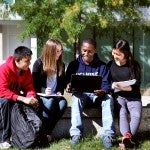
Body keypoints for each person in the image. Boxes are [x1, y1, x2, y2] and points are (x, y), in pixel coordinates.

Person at [65, 38, 116, 149]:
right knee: (75, 98)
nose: (86, 53)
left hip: (98, 97)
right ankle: (76, 134)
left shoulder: (102, 66)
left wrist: (103, 91)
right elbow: (67, 81)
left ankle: (108, 135)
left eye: (89, 51)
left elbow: (107, 85)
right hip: (81, 96)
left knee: (109, 98)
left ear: (95, 51)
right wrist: (68, 86)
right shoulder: (73, 65)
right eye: (84, 50)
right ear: (80, 49)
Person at [0, 46, 39, 149]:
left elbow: (29, 88)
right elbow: (2, 91)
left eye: (30, 60)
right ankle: (4, 139)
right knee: (5, 102)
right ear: (17, 60)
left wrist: (31, 98)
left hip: (14, 97)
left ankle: (31, 135)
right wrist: (23, 99)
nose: (29, 63)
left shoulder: (26, 71)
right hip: (3, 98)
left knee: (34, 103)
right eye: (27, 61)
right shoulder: (4, 69)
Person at [107, 39, 142, 149]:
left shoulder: (134, 65)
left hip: (134, 96)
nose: (115, 56)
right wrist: (112, 85)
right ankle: (127, 138)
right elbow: (106, 82)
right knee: (122, 113)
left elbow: (137, 85)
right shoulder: (110, 64)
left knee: (136, 114)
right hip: (119, 96)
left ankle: (126, 137)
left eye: (119, 54)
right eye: (114, 53)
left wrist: (124, 87)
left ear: (125, 54)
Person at [32, 38, 67, 142]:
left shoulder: (61, 64)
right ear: (50, 51)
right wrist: (43, 91)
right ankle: (42, 133)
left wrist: (60, 91)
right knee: (50, 102)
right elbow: (33, 85)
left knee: (63, 103)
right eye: (57, 51)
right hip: (41, 95)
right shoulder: (38, 64)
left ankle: (47, 132)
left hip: (55, 95)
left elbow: (61, 83)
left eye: (61, 51)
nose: (59, 54)